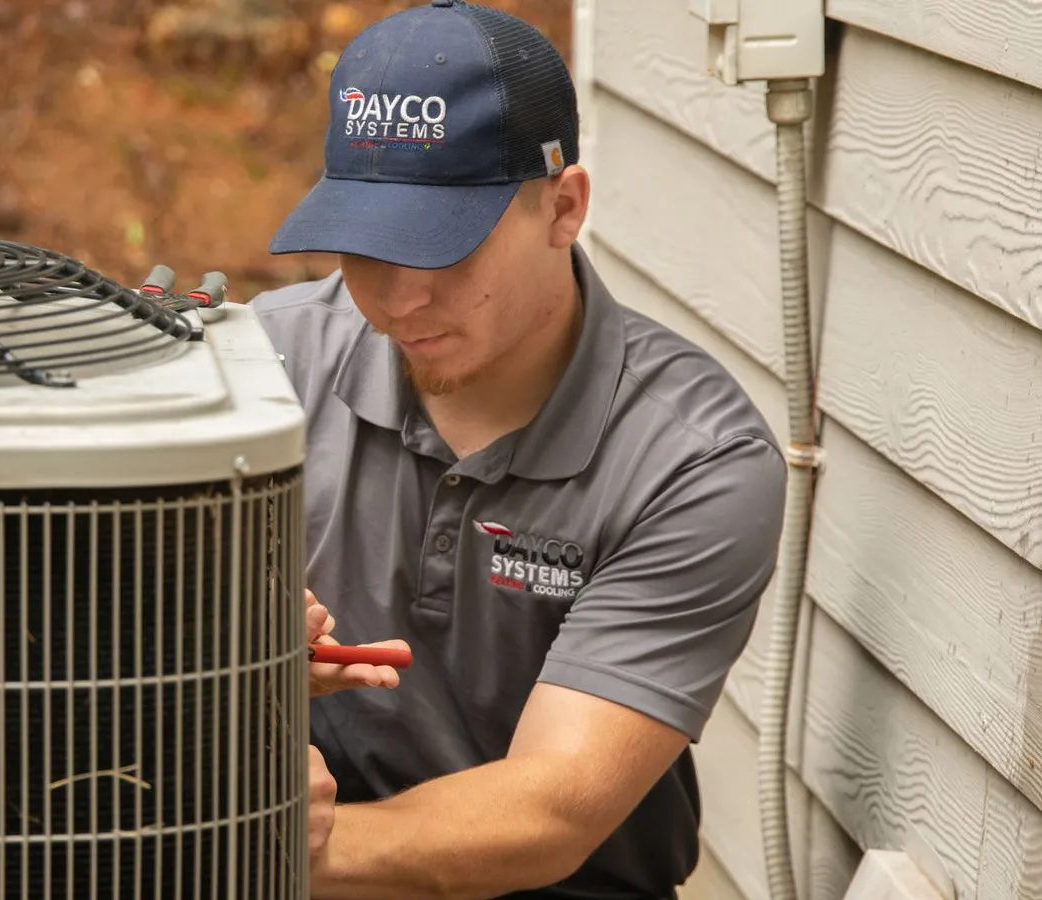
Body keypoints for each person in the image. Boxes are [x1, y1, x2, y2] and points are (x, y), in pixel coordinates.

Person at [249, 2, 791, 898]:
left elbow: (548, 814)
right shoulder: (263, 370)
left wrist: (251, 844)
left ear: (563, 208)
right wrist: (236, 664)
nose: (398, 302)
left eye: (445, 252)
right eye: (366, 247)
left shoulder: (692, 461)